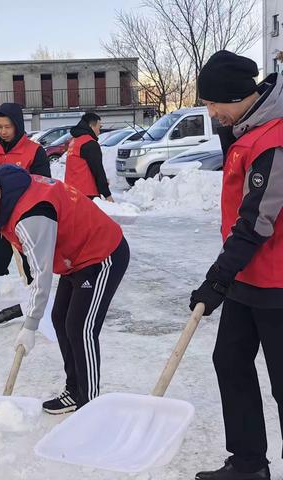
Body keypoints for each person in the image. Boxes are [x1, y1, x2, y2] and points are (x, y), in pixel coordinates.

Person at [0, 165, 130, 413]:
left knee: (80, 328)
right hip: (74, 258)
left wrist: (30, 324)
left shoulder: (30, 217)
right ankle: (75, 391)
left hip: (101, 254)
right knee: (60, 318)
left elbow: (41, 275)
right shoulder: (9, 195)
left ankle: (89, 406)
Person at [189, 50, 283, 480]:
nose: (210, 111)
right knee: (229, 361)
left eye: (213, 103)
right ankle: (248, 465)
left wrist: (217, 278)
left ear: (237, 95)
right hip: (250, 276)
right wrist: (229, 277)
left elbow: (257, 223)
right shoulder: (248, 129)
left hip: (278, 284)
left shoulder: (274, 140)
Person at [0, 103, 51, 325]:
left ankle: (37, 307)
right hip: (2, 222)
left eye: (7, 126)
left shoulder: (34, 151)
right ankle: (9, 304)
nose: (3, 131)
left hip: (27, 220)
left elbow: (44, 184)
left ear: (18, 126)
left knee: (32, 267)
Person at [65, 112, 113, 201]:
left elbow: (80, 166)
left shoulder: (75, 141)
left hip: (71, 192)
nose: (100, 130)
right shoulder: (90, 143)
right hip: (87, 194)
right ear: (91, 126)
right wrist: (107, 195)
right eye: (99, 127)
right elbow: (98, 170)